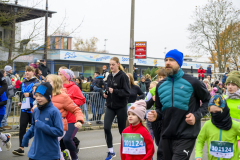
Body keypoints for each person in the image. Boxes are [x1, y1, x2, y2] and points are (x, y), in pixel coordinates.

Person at [147, 49, 211, 160]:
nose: (167, 62)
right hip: (166, 135)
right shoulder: (160, 85)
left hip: (185, 135)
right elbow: (159, 109)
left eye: (171, 60)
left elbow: (208, 101)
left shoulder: (193, 82)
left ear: (179, 63)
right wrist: (156, 115)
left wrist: (196, 116)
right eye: (166, 60)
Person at [21, 82, 64, 160]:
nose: (38, 98)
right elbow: (34, 126)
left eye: (41, 96)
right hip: (34, 153)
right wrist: (26, 136)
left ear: (48, 97)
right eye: (36, 95)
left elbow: (59, 131)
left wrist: (43, 126)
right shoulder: (36, 110)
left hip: (50, 154)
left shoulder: (54, 111)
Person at [46, 74, 84, 160]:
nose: (46, 83)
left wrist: (79, 120)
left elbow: (76, 109)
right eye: (45, 81)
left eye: (49, 82)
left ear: (56, 83)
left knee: (50, 143)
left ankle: (72, 156)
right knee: (53, 146)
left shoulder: (63, 96)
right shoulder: (45, 96)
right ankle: (63, 156)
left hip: (59, 126)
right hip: (47, 125)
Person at [195, 95, 240, 160]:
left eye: (216, 112)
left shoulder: (235, 125)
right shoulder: (207, 125)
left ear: (224, 109)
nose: (214, 114)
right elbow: (200, 140)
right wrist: (198, 155)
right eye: (211, 112)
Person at [103, 57, 130, 160]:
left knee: (122, 131)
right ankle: (111, 152)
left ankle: (128, 152)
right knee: (106, 128)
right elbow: (107, 89)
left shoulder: (123, 76)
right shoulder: (109, 76)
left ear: (118, 64)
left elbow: (127, 93)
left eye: (113, 64)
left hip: (121, 107)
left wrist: (115, 91)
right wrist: (105, 94)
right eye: (110, 64)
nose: (111, 66)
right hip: (110, 106)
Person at [58, 69, 86, 160]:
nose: (58, 76)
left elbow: (82, 100)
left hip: (72, 119)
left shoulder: (74, 88)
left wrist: (70, 103)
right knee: (59, 142)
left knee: (67, 139)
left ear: (66, 77)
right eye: (58, 74)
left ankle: (75, 157)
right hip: (61, 119)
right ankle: (65, 153)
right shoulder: (58, 88)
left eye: (60, 75)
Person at [12, 66, 39, 156]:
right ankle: (21, 148)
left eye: (29, 71)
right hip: (24, 107)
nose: (26, 73)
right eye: (26, 71)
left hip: (34, 108)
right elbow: (21, 94)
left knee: (36, 129)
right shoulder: (23, 82)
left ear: (33, 72)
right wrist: (21, 101)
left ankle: (38, 147)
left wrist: (31, 95)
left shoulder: (37, 82)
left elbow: (40, 94)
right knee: (22, 127)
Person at [223, 71, 240, 153]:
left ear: (238, 86)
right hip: (225, 134)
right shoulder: (223, 99)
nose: (230, 87)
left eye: (233, 85)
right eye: (228, 84)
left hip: (239, 136)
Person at [1, 65, 15, 130]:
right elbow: (6, 86)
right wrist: (12, 85)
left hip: (10, 96)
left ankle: (4, 123)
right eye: (10, 69)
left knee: (8, 111)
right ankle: (3, 124)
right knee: (5, 111)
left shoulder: (9, 76)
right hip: (7, 96)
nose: (12, 70)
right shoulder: (5, 78)